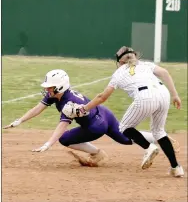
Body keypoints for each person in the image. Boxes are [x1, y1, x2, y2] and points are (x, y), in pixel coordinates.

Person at [4, 69, 177, 167]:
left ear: (59, 87)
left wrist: (48, 144)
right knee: (126, 138)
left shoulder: (68, 103)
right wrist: (19, 120)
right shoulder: (56, 95)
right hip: (104, 113)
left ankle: (97, 154)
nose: (47, 89)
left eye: (50, 87)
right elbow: (37, 108)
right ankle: (160, 137)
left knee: (64, 139)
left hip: (96, 126)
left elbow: (61, 127)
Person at [70, 46, 184, 177]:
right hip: (164, 95)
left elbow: (103, 97)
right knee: (159, 132)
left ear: (120, 62)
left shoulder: (119, 72)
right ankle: (176, 167)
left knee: (124, 127)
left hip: (145, 96)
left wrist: (84, 108)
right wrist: (175, 95)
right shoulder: (146, 65)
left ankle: (149, 148)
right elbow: (164, 72)